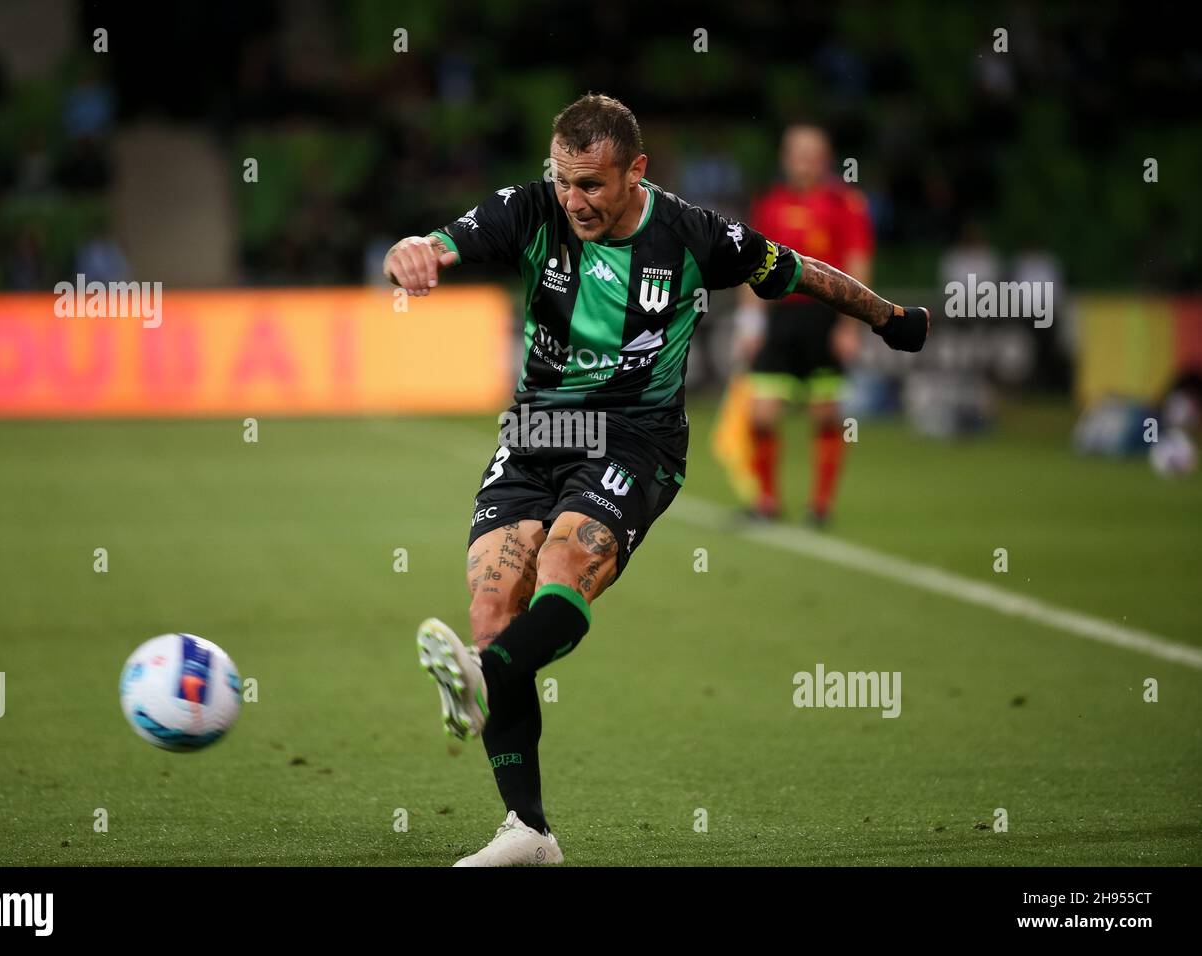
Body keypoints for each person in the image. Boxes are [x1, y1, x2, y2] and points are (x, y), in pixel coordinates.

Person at [382, 94, 928, 866]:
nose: (574, 200)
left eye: (593, 185)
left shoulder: (696, 236)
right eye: (564, 180)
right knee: (489, 608)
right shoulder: (530, 209)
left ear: (636, 171)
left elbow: (804, 272)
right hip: (536, 433)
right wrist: (413, 249)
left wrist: (888, 317)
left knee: (566, 564)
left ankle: (481, 679)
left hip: (635, 440)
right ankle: (530, 832)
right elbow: (441, 241)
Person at [738, 125, 874, 524]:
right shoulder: (770, 204)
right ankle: (766, 502)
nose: (804, 160)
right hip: (779, 316)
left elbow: (858, 265)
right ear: (786, 157)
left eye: (812, 153)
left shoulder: (846, 203)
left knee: (826, 415)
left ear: (825, 158)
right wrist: (750, 323)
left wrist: (850, 325)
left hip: (824, 315)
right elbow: (752, 264)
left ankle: (821, 506)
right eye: (797, 152)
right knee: (761, 415)